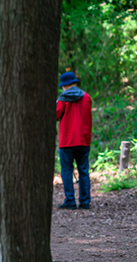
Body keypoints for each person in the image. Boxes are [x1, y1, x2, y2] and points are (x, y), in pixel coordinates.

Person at [56, 71, 93, 210]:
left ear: (65, 85)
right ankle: (85, 201)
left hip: (67, 140)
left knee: (66, 170)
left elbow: (56, 115)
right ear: (75, 83)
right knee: (83, 170)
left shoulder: (63, 99)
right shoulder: (87, 97)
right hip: (84, 140)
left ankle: (70, 200)